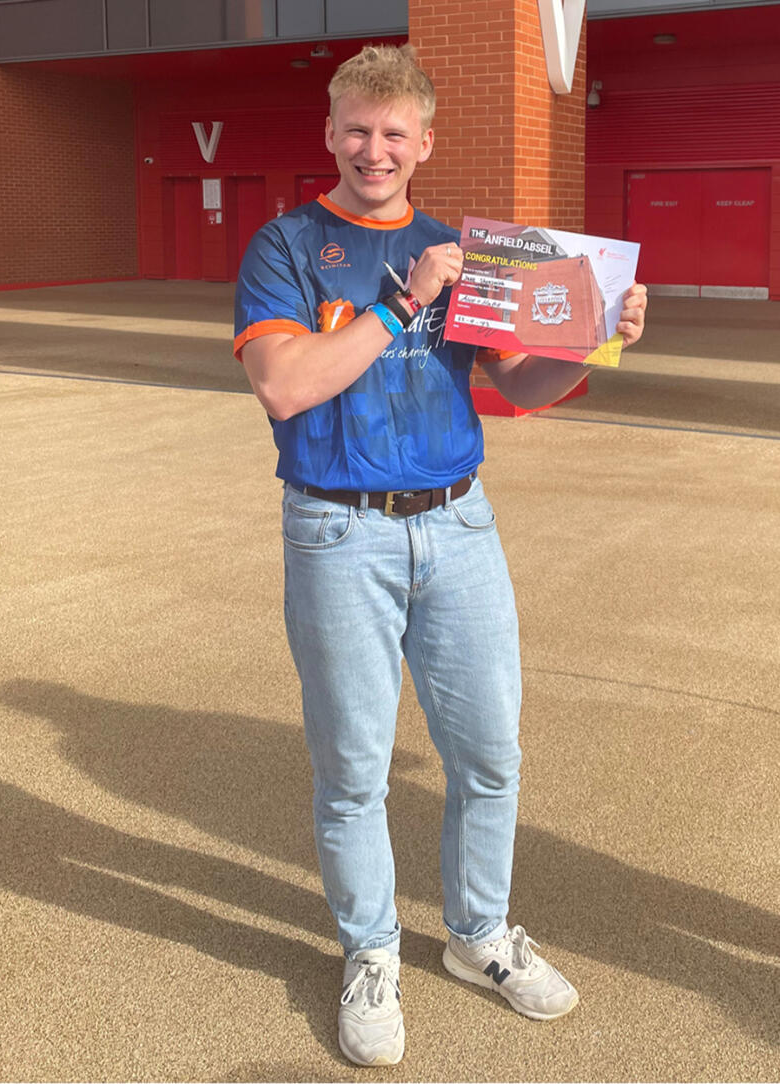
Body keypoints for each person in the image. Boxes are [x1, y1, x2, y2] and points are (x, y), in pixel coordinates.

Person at [234, 44, 647, 1068]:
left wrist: (596, 339)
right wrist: (399, 303)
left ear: (424, 141)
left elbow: (524, 385)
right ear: (330, 133)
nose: (373, 149)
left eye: (394, 132)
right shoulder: (287, 246)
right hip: (339, 531)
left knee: (489, 756)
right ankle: (371, 950)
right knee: (353, 771)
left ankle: (477, 935)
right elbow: (286, 385)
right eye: (356, 129)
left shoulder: (466, 250)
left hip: (458, 525)